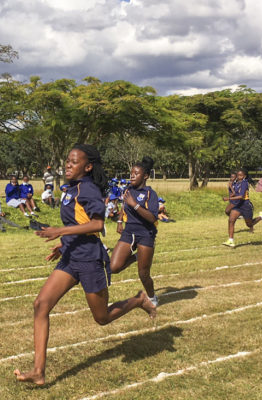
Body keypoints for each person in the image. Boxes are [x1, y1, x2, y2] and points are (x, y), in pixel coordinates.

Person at [13, 144, 156, 386]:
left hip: (90, 260)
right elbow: (80, 223)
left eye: (74, 161)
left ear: (87, 167)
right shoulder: (71, 189)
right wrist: (63, 244)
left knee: (102, 317)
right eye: (68, 160)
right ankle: (38, 371)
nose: (68, 164)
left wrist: (60, 231)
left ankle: (139, 300)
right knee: (41, 305)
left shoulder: (87, 189)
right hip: (71, 258)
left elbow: (97, 225)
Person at [111, 156, 160, 307]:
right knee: (114, 267)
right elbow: (124, 205)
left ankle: (152, 297)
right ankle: (136, 256)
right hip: (129, 232)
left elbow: (152, 218)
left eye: (136, 173)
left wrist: (135, 205)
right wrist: (120, 221)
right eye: (131, 173)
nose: (132, 175)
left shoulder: (150, 194)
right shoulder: (128, 189)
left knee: (143, 274)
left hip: (146, 234)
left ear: (145, 176)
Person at [222, 169, 262, 248]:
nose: (238, 177)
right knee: (231, 220)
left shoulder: (244, 183)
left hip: (246, 206)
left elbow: (241, 196)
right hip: (238, 206)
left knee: (249, 224)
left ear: (244, 176)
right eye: (238, 175)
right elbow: (234, 193)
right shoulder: (236, 183)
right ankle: (231, 240)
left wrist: (228, 199)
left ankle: (261, 217)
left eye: (241, 175)